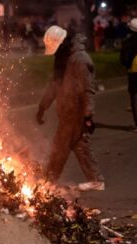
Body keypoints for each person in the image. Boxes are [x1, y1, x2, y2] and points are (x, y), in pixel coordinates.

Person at [36, 26, 105, 191]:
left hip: (76, 113)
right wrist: (42, 107)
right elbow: (55, 84)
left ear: (63, 43)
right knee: (78, 146)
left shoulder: (80, 59)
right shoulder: (63, 57)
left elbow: (88, 89)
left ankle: (49, 180)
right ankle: (95, 180)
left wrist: (88, 115)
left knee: (61, 146)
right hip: (68, 112)